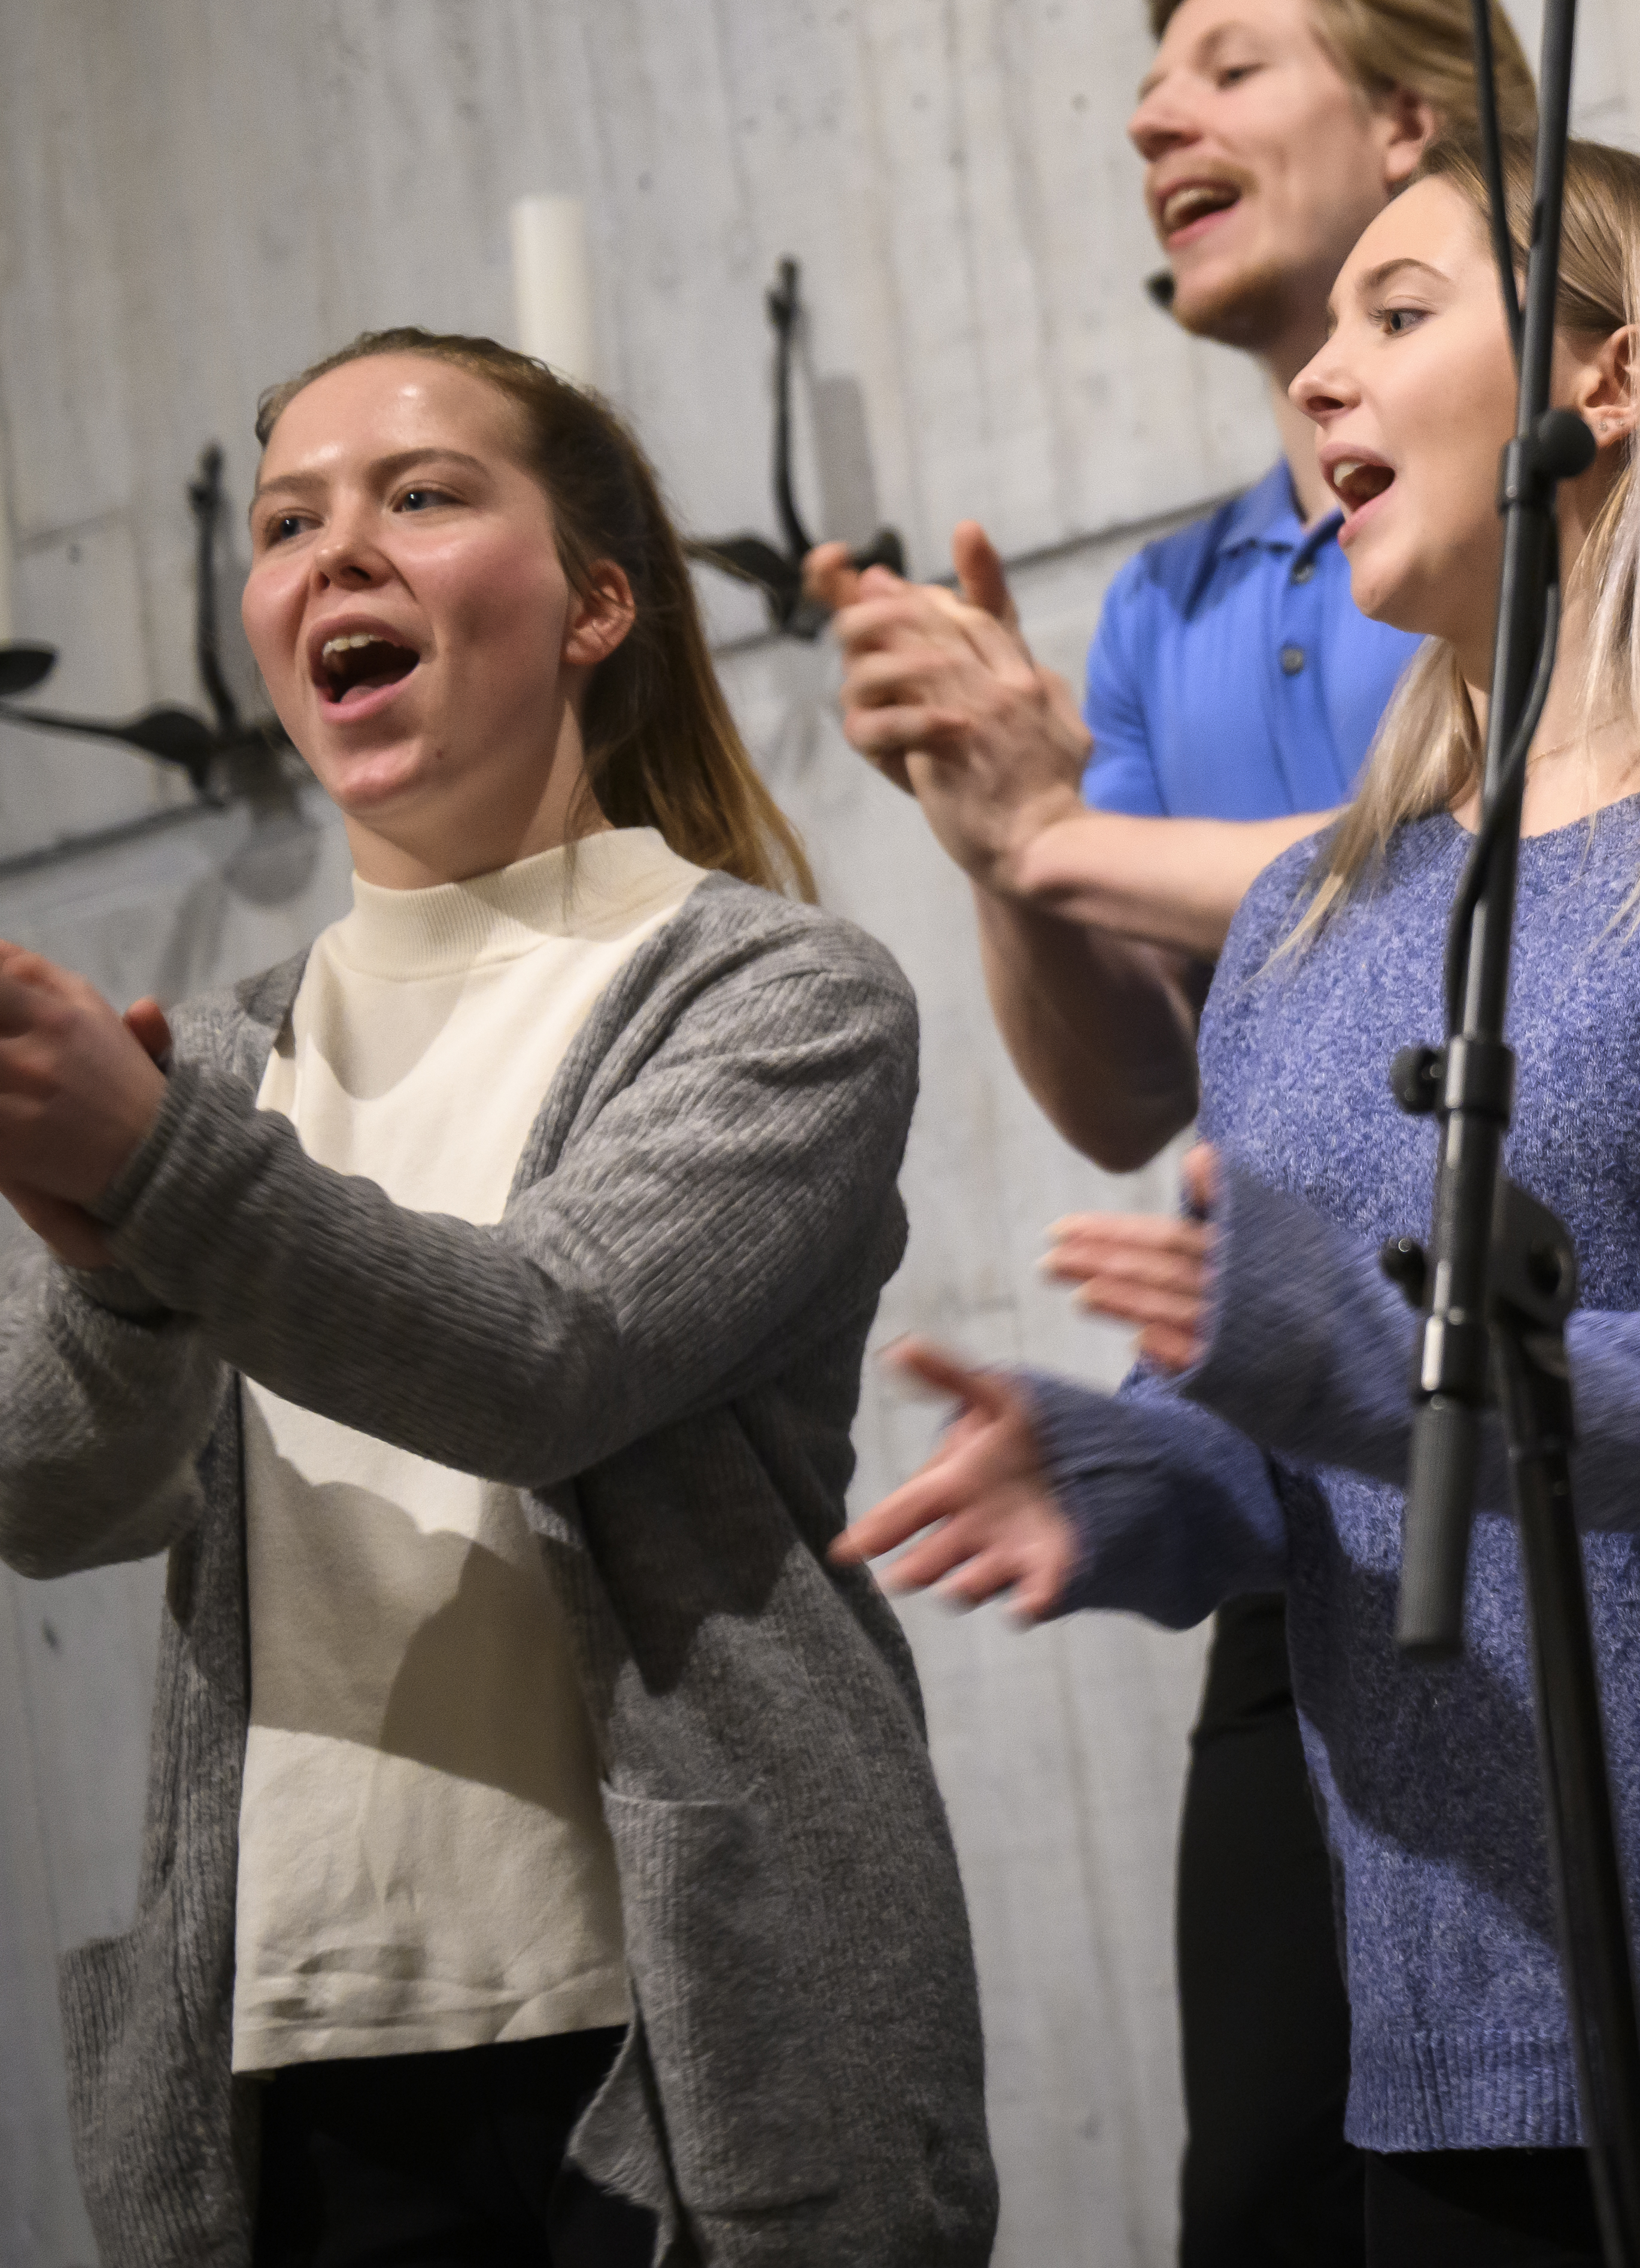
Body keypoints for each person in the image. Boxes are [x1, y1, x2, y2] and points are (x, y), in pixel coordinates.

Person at [839, 135, 1640, 2267]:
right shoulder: (1310, 921)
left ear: (1610, 383)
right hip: (1467, 2049)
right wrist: (1139, 1475)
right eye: (1325, 337)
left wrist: (1400, 1379)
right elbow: (1336, 1444)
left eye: (1398, 312)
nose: (1317, 384)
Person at [0, 331, 991, 2263]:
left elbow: (550, 1349)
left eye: (421, 494)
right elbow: (50, 1493)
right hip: (297, 2066)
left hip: (693, 2046)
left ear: (596, 603)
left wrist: (156, 1172)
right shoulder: (207, 1054)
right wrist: (129, 1273)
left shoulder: (774, 992)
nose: (333, 552)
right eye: (288, 521)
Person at [806, 0, 1527, 2266]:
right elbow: (1123, 1101)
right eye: (1148, 85)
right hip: (1282, 1481)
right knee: (1276, 2200)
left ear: (1415, 116)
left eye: (1231, 65)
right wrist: (1006, 848)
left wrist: (1082, 823)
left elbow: (1500, 879)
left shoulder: (1541, 507)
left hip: (1579, 1431)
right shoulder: (1181, 590)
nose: (1153, 115)